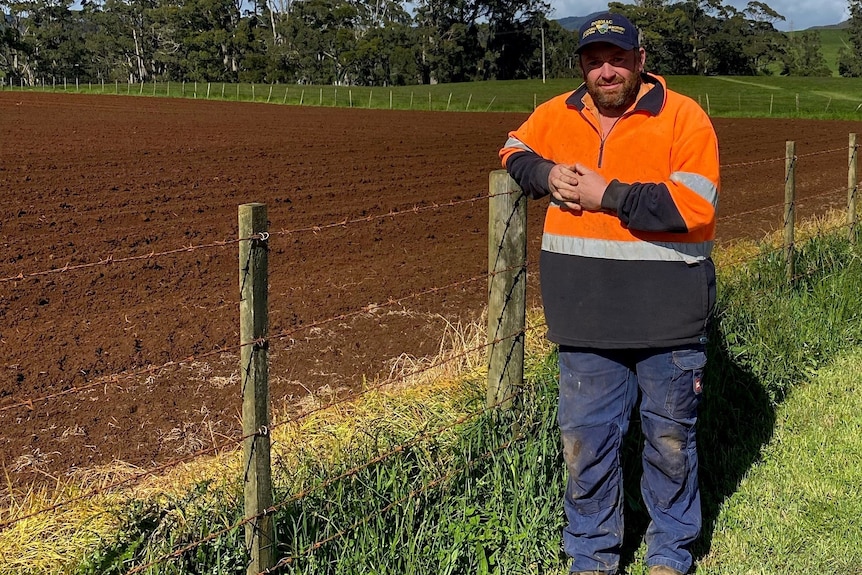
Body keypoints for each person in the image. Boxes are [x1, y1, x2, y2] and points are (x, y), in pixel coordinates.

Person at [498, 11, 720, 575]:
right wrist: (544, 175)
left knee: (669, 445)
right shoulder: (557, 114)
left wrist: (608, 194)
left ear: (640, 61)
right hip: (584, 320)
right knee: (586, 450)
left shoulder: (684, 119)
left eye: (617, 59)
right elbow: (512, 150)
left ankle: (670, 553)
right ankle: (592, 557)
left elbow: (692, 207)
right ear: (582, 67)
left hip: (667, 319)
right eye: (595, 61)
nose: (606, 71)